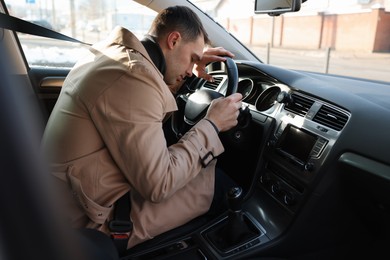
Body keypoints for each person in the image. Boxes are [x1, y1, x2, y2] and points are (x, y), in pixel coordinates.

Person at [41, 5, 242, 250]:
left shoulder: (118, 58)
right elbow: (160, 184)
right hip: (90, 219)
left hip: (67, 201)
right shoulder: (132, 77)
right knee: (223, 187)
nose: (190, 70)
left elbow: (147, 103)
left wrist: (190, 69)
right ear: (174, 40)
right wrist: (212, 124)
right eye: (192, 59)